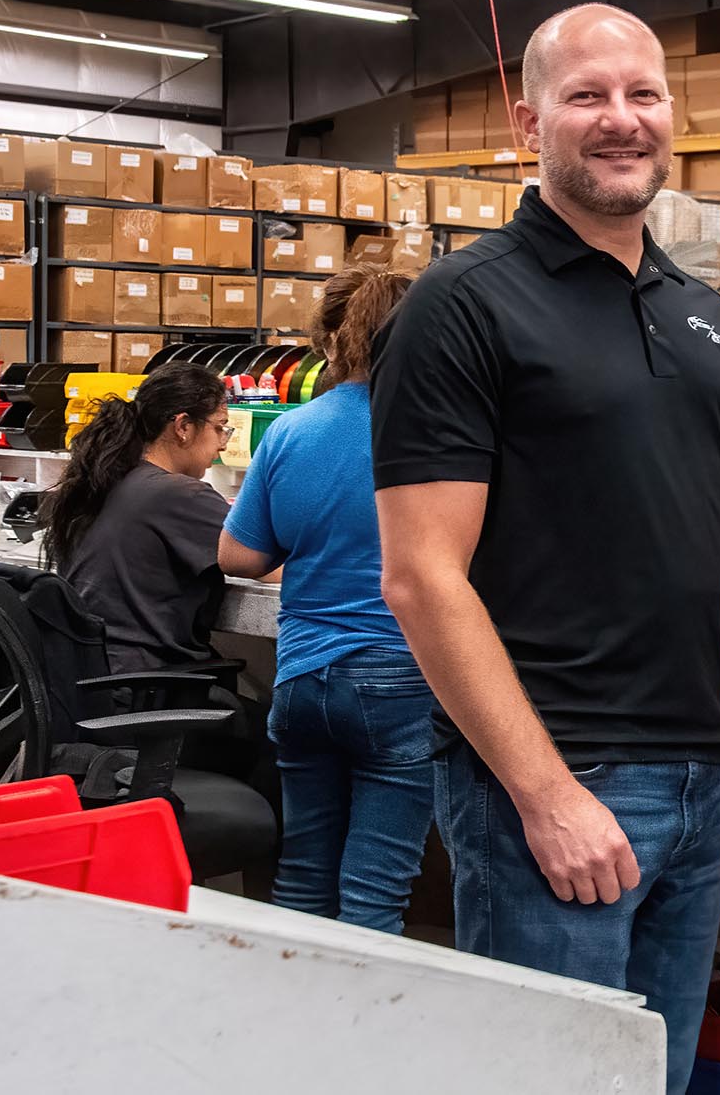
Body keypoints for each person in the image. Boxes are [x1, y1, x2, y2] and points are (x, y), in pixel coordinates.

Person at [372, 3, 720, 1095]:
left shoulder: (703, 316)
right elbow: (420, 576)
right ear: (529, 122)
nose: (620, 120)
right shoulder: (463, 305)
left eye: (641, 95)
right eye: (586, 96)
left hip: (699, 782)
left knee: (660, 1074)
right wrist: (544, 793)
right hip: (558, 781)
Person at [218, 265, 433, 934]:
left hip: (305, 676)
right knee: (376, 890)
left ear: (326, 342)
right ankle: (363, 1035)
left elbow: (240, 557)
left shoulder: (290, 431)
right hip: (402, 677)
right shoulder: (440, 432)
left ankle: (295, 1025)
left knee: (304, 874)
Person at [43, 361, 232, 674]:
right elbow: (261, 560)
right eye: (219, 427)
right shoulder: (180, 494)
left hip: (93, 681)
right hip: (144, 685)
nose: (222, 443)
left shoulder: (105, 479)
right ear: (183, 427)